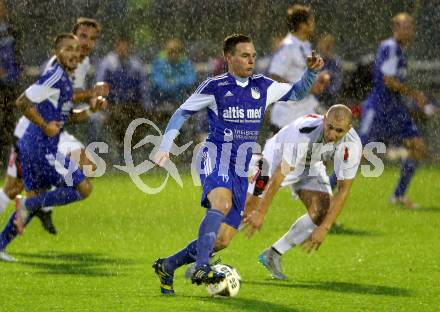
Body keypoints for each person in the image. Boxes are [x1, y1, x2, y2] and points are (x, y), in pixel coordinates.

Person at [152, 34, 323, 294]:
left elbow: (297, 92)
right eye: (245, 55)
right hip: (216, 154)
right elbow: (182, 112)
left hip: (242, 167)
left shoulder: (263, 86)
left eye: (253, 55)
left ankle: (168, 265)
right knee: (221, 203)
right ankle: (201, 266)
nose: (251, 60)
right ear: (229, 57)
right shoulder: (215, 86)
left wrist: (310, 73)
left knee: (221, 240)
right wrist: (165, 145)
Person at [0, 33, 107, 262]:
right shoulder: (54, 76)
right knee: (83, 187)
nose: (73, 53)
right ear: (56, 52)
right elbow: (22, 102)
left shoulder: (66, 81)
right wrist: (44, 125)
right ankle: (30, 204)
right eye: (67, 49)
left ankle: (1, 244)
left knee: (37, 196)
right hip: (40, 147)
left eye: (76, 50)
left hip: (37, 146)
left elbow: (68, 118)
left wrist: (92, 110)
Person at [242, 105, 362, 279]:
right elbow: (280, 173)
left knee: (322, 210)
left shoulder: (352, 145)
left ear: (348, 129)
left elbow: (343, 190)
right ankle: (204, 254)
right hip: (277, 157)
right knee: (249, 209)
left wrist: (325, 227)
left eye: (339, 130)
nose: (332, 134)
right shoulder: (304, 133)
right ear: (324, 119)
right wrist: (261, 212)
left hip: (310, 165)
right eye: (329, 127)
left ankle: (272, 254)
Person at [359, 13, 432, 209]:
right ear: (396, 28)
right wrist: (415, 94)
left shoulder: (399, 50)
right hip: (379, 108)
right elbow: (388, 80)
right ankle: (324, 191)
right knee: (356, 154)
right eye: (405, 27)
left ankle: (398, 196)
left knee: (418, 147)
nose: (409, 31)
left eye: (411, 27)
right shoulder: (390, 47)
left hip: (395, 110)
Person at [268, 4, 329, 132]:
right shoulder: (288, 46)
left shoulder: (305, 45)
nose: (314, 23)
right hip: (286, 117)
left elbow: (301, 75)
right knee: (280, 152)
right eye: (311, 20)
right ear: (302, 25)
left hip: (304, 110)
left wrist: (318, 81)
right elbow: (274, 76)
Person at [94, 34, 149, 161]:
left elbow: (143, 89)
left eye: (126, 45)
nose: (124, 48)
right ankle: (122, 155)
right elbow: (100, 88)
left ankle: (132, 154)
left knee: (142, 119)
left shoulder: (136, 65)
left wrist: (146, 108)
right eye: (121, 44)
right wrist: (103, 109)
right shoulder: (107, 64)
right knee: (120, 119)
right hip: (112, 106)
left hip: (133, 106)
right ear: (116, 45)